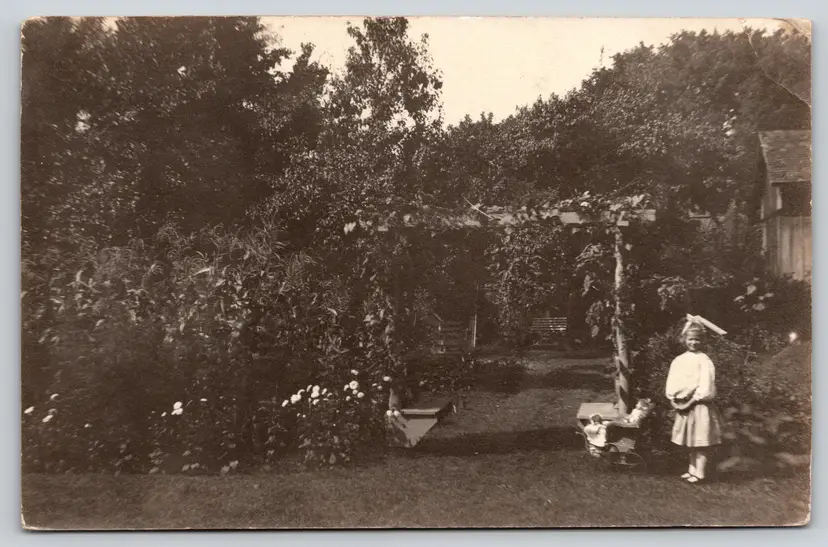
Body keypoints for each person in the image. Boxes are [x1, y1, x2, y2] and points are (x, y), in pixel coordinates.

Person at [665, 321, 724, 483]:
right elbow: (673, 380)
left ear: (702, 341)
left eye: (697, 339)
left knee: (700, 441)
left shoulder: (704, 360)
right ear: (684, 339)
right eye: (690, 339)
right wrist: (673, 400)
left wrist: (691, 401)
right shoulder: (679, 360)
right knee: (691, 441)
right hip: (683, 404)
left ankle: (700, 473)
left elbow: (706, 385)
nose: (693, 342)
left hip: (698, 405)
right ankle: (692, 470)